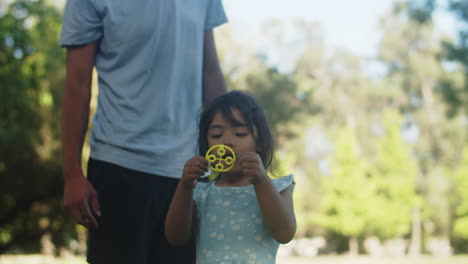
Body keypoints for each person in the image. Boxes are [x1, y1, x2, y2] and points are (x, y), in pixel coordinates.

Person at [59, 0, 228, 263]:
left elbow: (210, 70)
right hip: (118, 167)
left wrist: (226, 160)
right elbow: (77, 83)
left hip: (191, 170)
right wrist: (71, 173)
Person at [165, 91, 297, 264]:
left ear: (261, 143)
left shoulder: (278, 187)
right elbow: (176, 237)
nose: (227, 141)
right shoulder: (200, 192)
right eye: (216, 135)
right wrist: (185, 186)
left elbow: (285, 233)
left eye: (240, 133)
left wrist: (261, 181)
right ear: (207, 146)